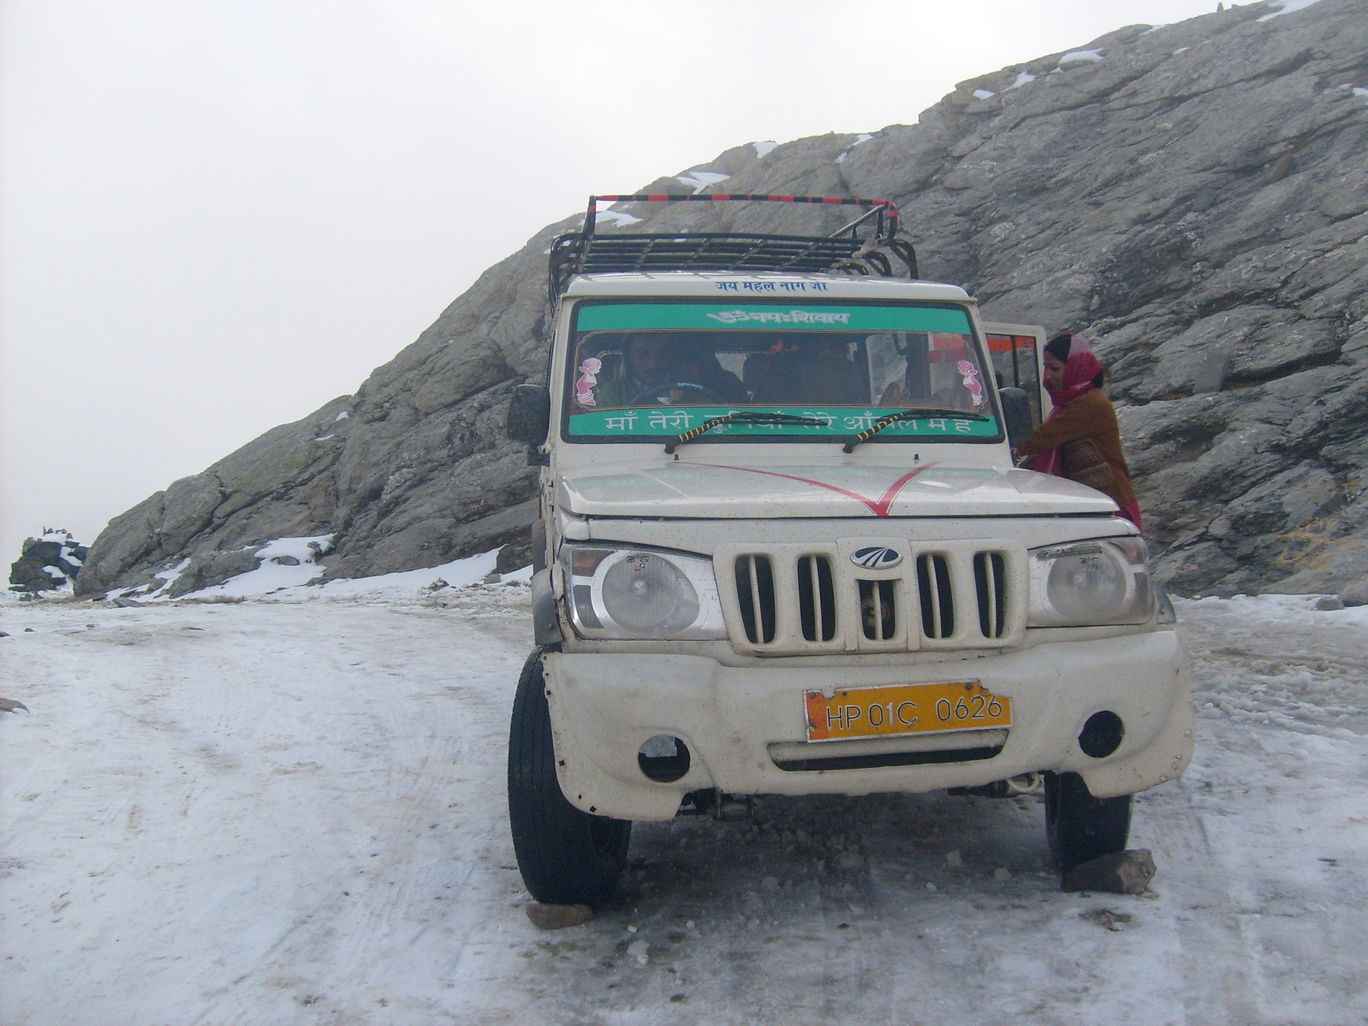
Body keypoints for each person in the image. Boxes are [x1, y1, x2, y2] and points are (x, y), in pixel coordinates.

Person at [1012, 332, 1143, 530]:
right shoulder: (1069, 403)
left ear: (1076, 367)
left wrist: (1003, 446)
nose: (1048, 376)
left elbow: (1041, 439)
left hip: (1111, 506)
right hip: (1093, 505)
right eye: (1046, 368)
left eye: (1055, 368)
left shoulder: (1090, 404)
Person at [597, 333, 745, 406]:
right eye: (642, 354)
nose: (653, 364)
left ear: (672, 355)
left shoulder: (694, 388)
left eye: (662, 353)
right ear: (629, 358)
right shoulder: (613, 392)